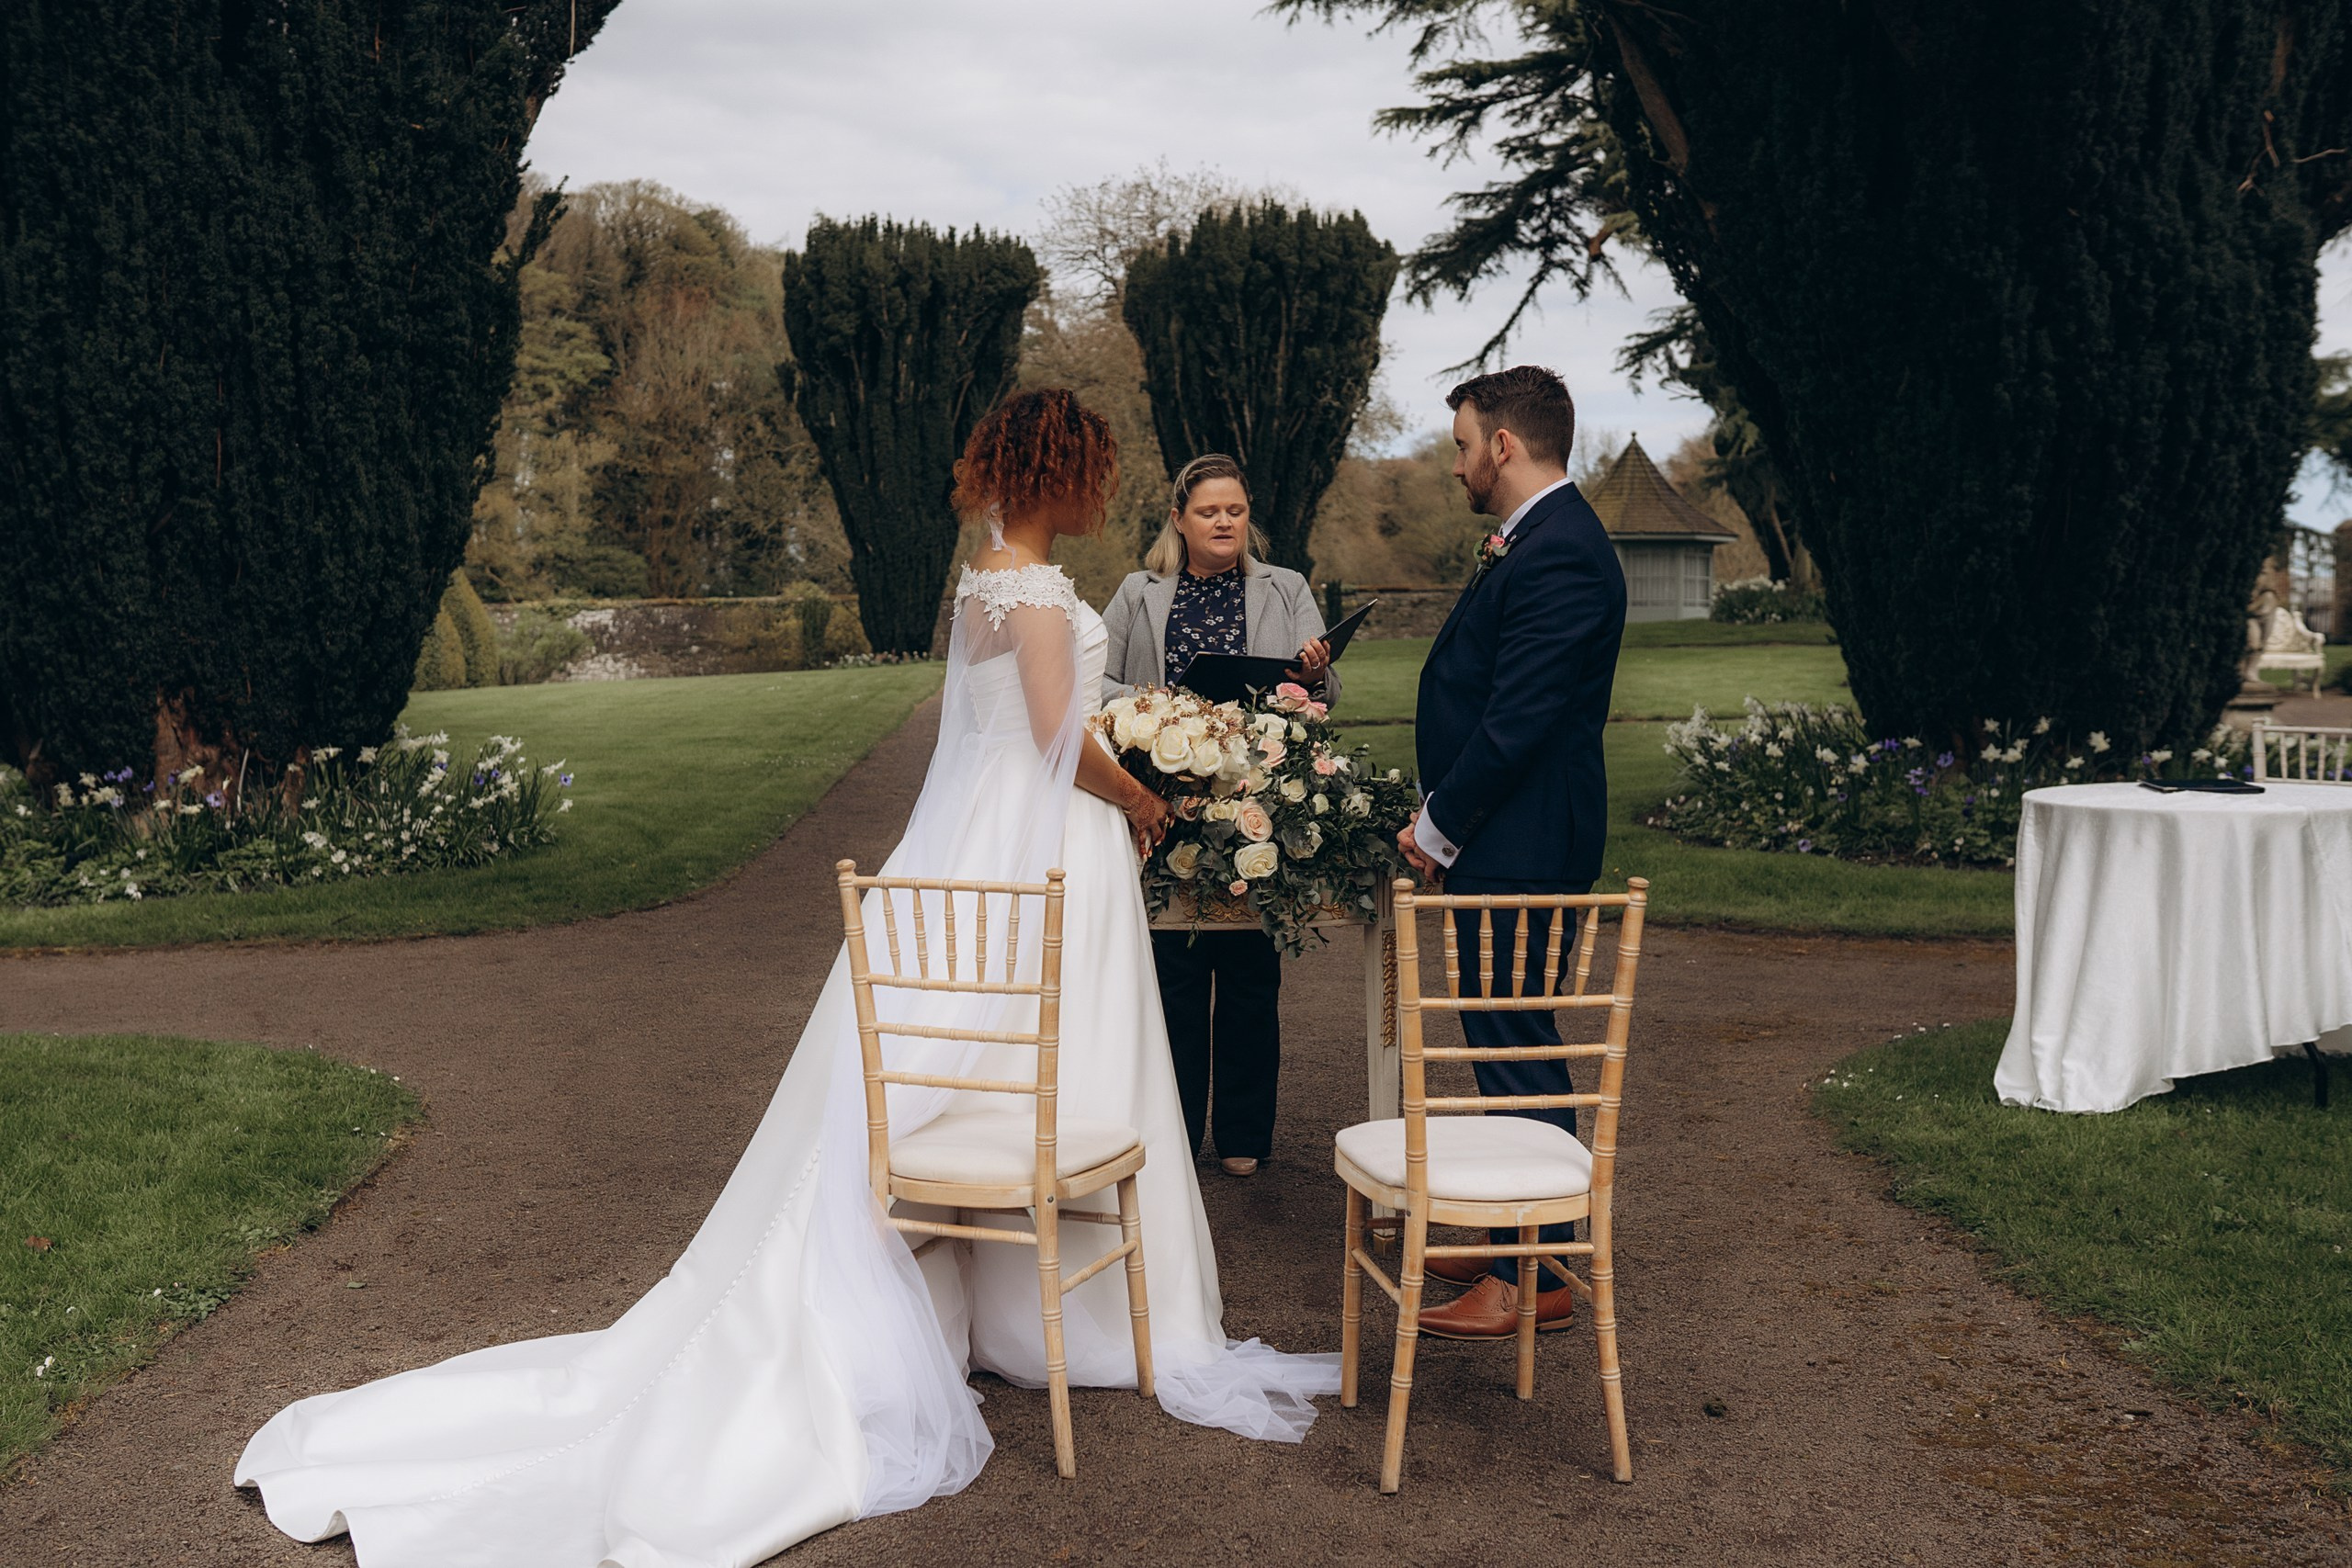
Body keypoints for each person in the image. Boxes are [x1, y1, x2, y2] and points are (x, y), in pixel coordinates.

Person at [234, 391, 1337, 1568]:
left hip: (978, 845)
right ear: (1055, 471)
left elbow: (1010, 733)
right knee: (1059, 1056)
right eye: (1089, 470)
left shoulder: (984, 580)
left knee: (971, 1060)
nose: (1100, 492)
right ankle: (1077, 1321)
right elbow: (1059, 736)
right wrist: (1146, 796)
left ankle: (1004, 1308)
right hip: (1047, 848)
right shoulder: (1033, 591)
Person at [1395, 366, 1626, 1342]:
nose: (1455, 467)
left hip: (1523, 840)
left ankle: (1534, 1276)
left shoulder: (1563, 550)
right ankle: (1511, 1238)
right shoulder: (1537, 538)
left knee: (1518, 1047)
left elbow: (1517, 719)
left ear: (1503, 443)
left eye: (1462, 446)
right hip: (1507, 836)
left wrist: (1435, 828)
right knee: (1502, 1043)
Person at [1100, 454, 1336, 1179]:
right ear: (1180, 519)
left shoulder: (1286, 587)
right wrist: (1156, 708)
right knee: (1171, 971)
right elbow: (1096, 681)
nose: (1225, 521)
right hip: (1164, 801)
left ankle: (1243, 1136)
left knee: (1249, 973)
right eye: (1209, 511)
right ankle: (1171, 1136)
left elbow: (1327, 691)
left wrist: (1314, 674)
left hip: (1257, 801)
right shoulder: (1138, 593)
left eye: (1235, 510)